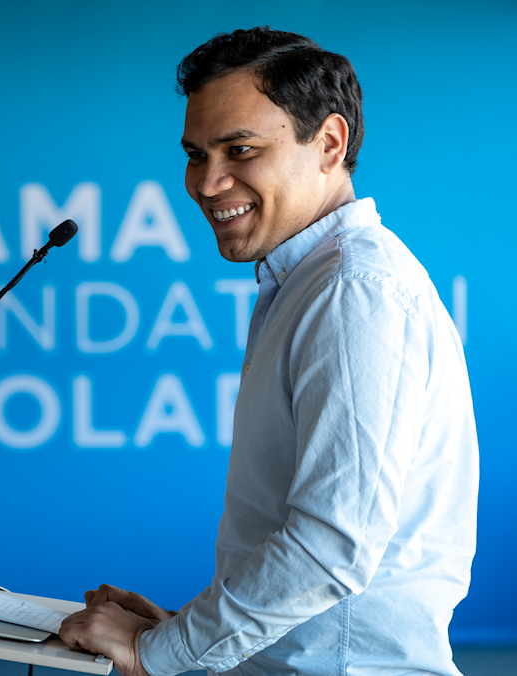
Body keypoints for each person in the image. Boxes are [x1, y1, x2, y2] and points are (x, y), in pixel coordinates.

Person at [59, 27, 478, 675]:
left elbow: (331, 547)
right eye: (196, 155)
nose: (206, 182)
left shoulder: (353, 290)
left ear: (330, 144)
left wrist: (158, 653)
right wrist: (183, 629)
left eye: (241, 149)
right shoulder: (310, 279)